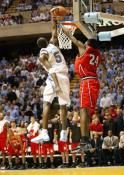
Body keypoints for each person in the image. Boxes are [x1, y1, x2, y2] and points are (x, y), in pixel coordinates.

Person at [62, 26, 107, 152]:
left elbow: (73, 39)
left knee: (83, 111)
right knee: (86, 112)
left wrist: (62, 27)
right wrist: (103, 81)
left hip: (87, 81)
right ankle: (86, 141)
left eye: (86, 42)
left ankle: (84, 141)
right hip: (93, 81)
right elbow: (104, 69)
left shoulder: (85, 49)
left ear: (88, 44)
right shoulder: (98, 54)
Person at [31, 8, 70, 143]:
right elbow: (53, 29)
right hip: (65, 75)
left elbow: (51, 70)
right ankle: (64, 133)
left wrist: (42, 59)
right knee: (63, 105)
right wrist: (52, 15)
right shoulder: (53, 43)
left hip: (56, 77)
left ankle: (45, 133)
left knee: (47, 104)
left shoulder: (43, 52)